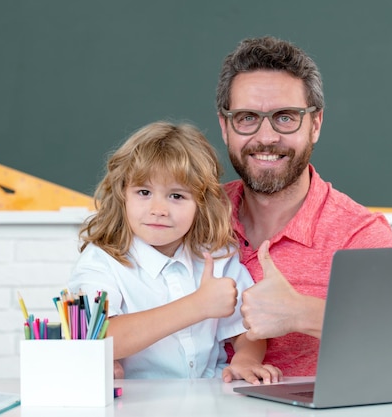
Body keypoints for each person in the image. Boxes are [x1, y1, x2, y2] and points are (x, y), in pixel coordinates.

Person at [216, 36, 392, 376]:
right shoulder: (190, 216)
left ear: (315, 125)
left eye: (285, 117)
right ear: (225, 126)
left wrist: (300, 313)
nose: (266, 137)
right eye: (247, 117)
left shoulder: (356, 234)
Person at [68, 121, 282, 384]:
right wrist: (197, 306)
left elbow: (248, 329)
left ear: (201, 204)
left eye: (177, 196)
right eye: (144, 192)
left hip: (209, 398)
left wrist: (245, 359)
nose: (159, 209)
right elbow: (98, 337)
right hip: (138, 404)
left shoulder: (217, 256)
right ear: (123, 195)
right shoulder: (102, 260)